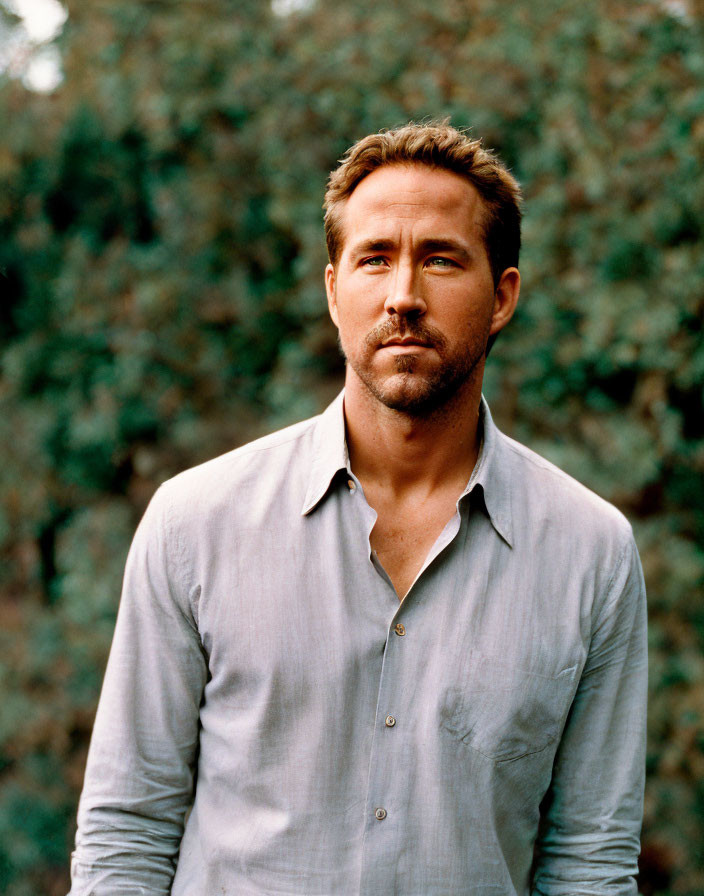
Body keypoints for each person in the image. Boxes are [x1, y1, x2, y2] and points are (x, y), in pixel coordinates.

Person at [68, 123, 647, 895]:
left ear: (502, 295)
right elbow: (125, 834)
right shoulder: (194, 525)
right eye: (376, 259)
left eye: (440, 259)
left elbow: (590, 860)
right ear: (334, 288)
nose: (404, 296)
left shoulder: (591, 552)